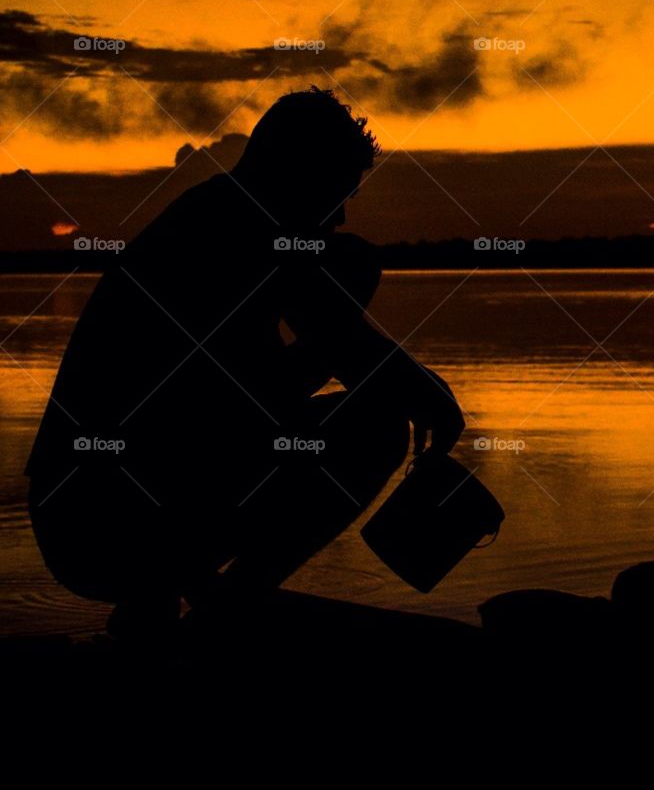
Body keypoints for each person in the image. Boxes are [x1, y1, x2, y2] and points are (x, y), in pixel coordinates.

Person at [25, 87, 465, 644]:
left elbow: (321, 349)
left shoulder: (219, 219)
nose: (340, 214)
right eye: (336, 193)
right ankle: (215, 618)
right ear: (297, 175)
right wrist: (430, 399)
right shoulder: (240, 229)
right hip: (102, 522)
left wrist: (401, 378)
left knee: (349, 279)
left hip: (91, 509)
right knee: (375, 427)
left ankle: (158, 607)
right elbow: (343, 343)